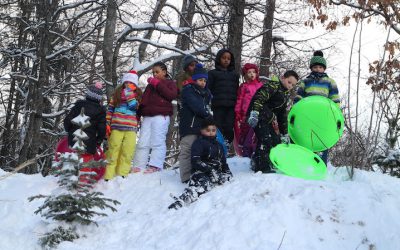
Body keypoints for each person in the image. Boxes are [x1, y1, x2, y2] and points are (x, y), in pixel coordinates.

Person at [168, 119, 232, 210]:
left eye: (213, 130)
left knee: (225, 179)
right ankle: (185, 199)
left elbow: (223, 162)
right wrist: (209, 170)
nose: (211, 133)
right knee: (203, 183)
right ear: (202, 131)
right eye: (208, 130)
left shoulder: (219, 146)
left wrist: (227, 172)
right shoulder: (199, 143)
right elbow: (195, 160)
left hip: (215, 172)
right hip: (200, 172)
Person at [247, 70, 299, 173]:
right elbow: (259, 98)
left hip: (267, 118)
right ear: (283, 78)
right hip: (258, 115)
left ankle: (259, 161)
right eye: (289, 82)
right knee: (265, 139)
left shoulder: (284, 95)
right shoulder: (273, 86)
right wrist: (254, 113)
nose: (290, 86)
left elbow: (282, 116)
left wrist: (285, 133)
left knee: (276, 140)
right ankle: (263, 167)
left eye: (293, 85)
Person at [294, 50, 340, 164]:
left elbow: (334, 98)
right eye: (315, 67)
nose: (318, 69)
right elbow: (299, 96)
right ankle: (305, 162)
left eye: (320, 67)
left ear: (324, 68)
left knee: (321, 137)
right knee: (307, 136)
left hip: (323, 115)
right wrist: (295, 109)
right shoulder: (305, 81)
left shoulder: (330, 82)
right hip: (307, 114)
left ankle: (320, 163)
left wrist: (335, 113)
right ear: (311, 68)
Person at [132, 62, 178, 173]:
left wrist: (157, 84)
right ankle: (139, 165)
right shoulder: (149, 86)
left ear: (164, 72)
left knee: (157, 141)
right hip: (147, 116)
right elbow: (143, 101)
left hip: (161, 116)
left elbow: (171, 95)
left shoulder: (169, 83)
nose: (154, 74)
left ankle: (155, 165)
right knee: (143, 141)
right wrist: (137, 116)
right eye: (153, 72)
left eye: (157, 72)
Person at [63, 81, 107, 182]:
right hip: (89, 142)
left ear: (87, 95)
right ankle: (82, 187)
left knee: (72, 161)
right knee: (86, 164)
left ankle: (69, 183)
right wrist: (98, 141)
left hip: (74, 139)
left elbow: (67, 121)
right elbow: (102, 129)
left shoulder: (78, 106)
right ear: (99, 99)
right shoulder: (100, 111)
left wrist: (69, 131)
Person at [104, 70, 142, 180]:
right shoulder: (116, 95)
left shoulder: (138, 95)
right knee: (113, 150)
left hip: (131, 128)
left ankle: (122, 174)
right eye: (126, 82)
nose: (128, 85)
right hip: (116, 126)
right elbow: (110, 110)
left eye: (131, 83)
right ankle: (108, 175)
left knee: (128, 150)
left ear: (135, 84)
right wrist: (107, 123)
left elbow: (134, 107)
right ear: (123, 83)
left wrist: (129, 94)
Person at [178, 63, 212, 183]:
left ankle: (198, 172)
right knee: (187, 150)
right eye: (200, 80)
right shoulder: (189, 90)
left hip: (201, 127)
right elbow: (196, 106)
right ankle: (186, 176)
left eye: (204, 80)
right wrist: (207, 114)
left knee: (199, 150)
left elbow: (207, 107)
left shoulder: (206, 94)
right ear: (194, 80)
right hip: (189, 126)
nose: (203, 82)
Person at [207, 48, 240, 151]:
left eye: (228, 58)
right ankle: (218, 147)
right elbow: (208, 89)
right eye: (224, 58)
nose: (226, 60)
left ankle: (226, 145)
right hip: (218, 105)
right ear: (219, 59)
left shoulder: (235, 74)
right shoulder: (212, 73)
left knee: (229, 127)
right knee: (219, 126)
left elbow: (236, 89)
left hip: (231, 105)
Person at [234, 63, 263, 157]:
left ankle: (256, 153)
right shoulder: (244, 86)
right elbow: (239, 100)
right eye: (249, 72)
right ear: (245, 74)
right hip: (246, 114)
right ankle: (246, 154)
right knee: (246, 134)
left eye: (254, 72)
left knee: (256, 135)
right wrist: (238, 113)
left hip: (258, 113)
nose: (252, 74)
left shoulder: (261, 85)